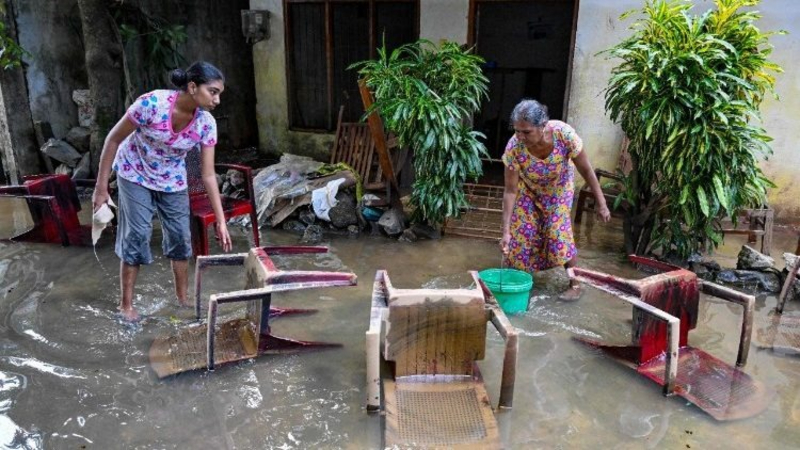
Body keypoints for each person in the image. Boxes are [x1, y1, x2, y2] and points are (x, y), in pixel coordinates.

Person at [92, 61, 233, 322]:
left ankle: (182, 299)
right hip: (134, 172)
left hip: (172, 179)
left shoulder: (206, 124)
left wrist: (221, 221)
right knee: (137, 233)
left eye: (219, 94)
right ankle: (126, 305)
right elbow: (113, 138)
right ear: (192, 87)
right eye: (213, 92)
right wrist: (100, 189)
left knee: (181, 236)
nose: (217, 100)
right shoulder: (151, 105)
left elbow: (208, 174)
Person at [499, 99, 610, 301]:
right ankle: (519, 280)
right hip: (528, 190)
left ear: (543, 126)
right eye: (517, 131)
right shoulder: (514, 148)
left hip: (558, 189)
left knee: (557, 233)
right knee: (522, 235)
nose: (520, 136)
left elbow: (586, 170)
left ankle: (575, 283)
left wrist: (601, 202)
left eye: (527, 132)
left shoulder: (564, 135)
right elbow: (510, 191)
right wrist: (506, 230)